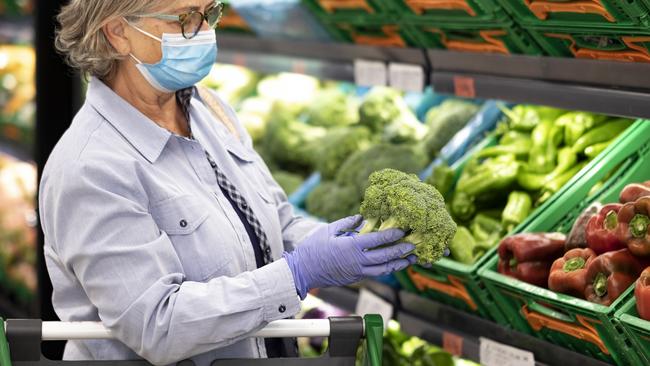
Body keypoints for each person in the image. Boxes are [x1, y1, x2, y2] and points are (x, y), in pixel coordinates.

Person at [41, 1, 418, 365]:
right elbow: (157, 325)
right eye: (184, 18)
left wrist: (350, 242)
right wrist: (297, 273)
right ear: (118, 33)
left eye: (210, 13)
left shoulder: (210, 111)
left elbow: (277, 222)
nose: (204, 31)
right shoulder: (91, 167)